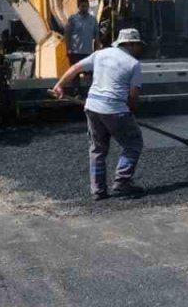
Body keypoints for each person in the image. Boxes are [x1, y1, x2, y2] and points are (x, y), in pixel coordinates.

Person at [49, 28, 147, 201]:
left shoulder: (100, 54)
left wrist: (59, 85)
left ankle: (98, 190)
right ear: (130, 44)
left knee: (97, 149)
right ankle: (122, 182)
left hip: (92, 107)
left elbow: (75, 68)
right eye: (138, 45)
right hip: (115, 110)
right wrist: (131, 112)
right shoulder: (133, 64)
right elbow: (132, 96)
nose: (140, 48)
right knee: (133, 143)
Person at [64, 0, 98, 88]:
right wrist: (67, 49)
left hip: (88, 53)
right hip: (75, 52)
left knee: (89, 75)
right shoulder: (73, 19)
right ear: (78, 6)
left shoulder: (93, 20)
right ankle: (76, 93)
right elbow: (67, 34)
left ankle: (88, 93)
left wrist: (97, 50)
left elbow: (97, 36)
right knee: (75, 75)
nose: (85, 8)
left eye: (86, 6)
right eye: (82, 6)